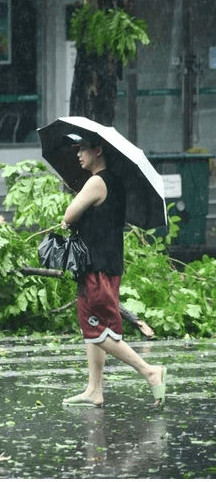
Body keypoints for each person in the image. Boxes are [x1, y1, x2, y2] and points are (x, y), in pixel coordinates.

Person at [60, 134, 167, 407]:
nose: (78, 154)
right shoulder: (115, 183)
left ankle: (149, 371)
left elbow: (69, 214)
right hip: (107, 264)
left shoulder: (96, 182)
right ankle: (94, 390)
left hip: (97, 266)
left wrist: (69, 218)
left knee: (97, 327)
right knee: (93, 328)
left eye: (83, 149)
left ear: (98, 151)